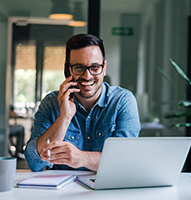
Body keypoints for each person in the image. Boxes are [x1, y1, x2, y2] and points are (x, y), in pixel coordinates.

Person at [24, 34, 141, 172]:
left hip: (107, 190)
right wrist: (64, 118)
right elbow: (34, 163)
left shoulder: (123, 101)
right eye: (79, 68)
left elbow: (124, 162)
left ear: (104, 68)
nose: (87, 76)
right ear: (68, 69)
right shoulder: (51, 103)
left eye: (95, 67)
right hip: (61, 192)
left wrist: (82, 158)